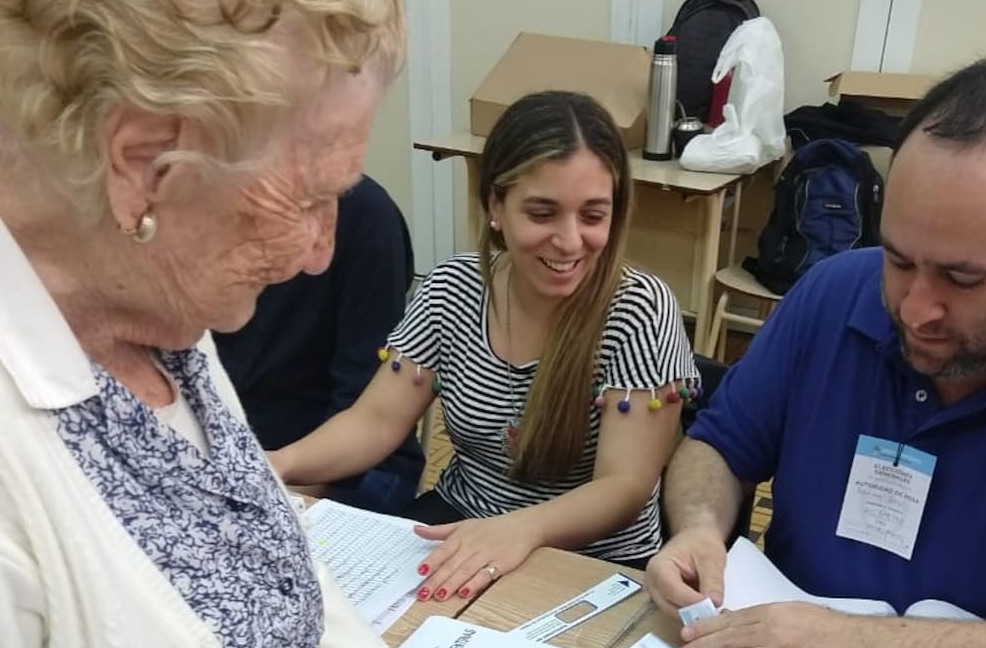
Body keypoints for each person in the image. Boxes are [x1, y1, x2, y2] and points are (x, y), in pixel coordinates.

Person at [0, 0, 409, 648]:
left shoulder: (144, 288)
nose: (321, 249)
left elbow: (271, 579)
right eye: (307, 199)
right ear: (144, 166)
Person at [645, 56, 986, 648]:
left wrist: (859, 646)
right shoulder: (835, 293)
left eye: (962, 277)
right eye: (900, 259)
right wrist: (699, 528)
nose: (914, 309)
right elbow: (719, 446)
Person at [272, 90, 700, 602]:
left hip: (594, 560)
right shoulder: (453, 288)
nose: (569, 241)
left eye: (592, 216)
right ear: (495, 204)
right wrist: (276, 464)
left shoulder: (640, 308)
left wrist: (523, 529)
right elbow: (376, 421)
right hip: (462, 524)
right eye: (543, 213)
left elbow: (623, 486)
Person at [214, 174, 424, 514]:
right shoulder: (187, 208)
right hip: (234, 461)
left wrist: (273, 487)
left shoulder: (366, 216)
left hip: (345, 465)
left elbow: (365, 416)